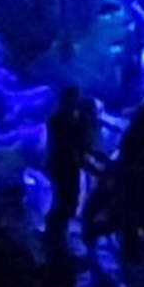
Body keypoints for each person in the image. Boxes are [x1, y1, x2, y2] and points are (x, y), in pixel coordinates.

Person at [45, 85, 98, 253]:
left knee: (68, 203)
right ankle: (55, 241)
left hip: (67, 167)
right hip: (62, 167)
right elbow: (68, 148)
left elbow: (82, 147)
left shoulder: (73, 121)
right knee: (64, 203)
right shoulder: (58, 121)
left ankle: (58, 239)